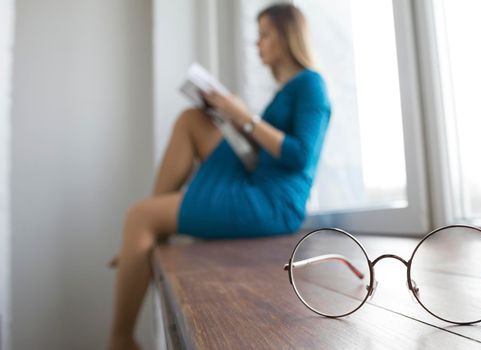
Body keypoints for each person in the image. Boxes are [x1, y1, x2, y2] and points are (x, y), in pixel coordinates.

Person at [108, 3, 331, 349]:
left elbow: (301, 156)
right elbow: (266, 154)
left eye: (265, 36)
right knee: (191, 121)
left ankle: (120, 339)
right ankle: (154, 231)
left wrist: (244, 118)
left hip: (273, 204)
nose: (258, 44)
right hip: (258, 181)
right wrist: (230, 115)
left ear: (288, 37)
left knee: (138, 215)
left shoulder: (311, 84)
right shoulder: (288, 91)